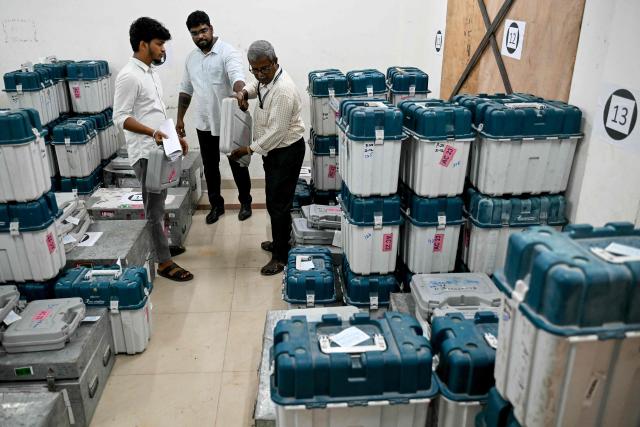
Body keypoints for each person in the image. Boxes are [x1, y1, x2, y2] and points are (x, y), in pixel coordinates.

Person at [113, 17, 193, 282]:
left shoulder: (151, 74)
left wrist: (174, 139)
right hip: (145, 154)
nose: (163, 50)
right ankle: (163, 262)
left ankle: (162, 248)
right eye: (159, 44)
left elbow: (156, 115)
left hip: (160, 150)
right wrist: (152, 133)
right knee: (154, 210)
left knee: (160, 205)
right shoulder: (129, 76)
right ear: (143, 44)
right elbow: (120, 117)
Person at [230, 40, 305, 276]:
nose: (260, 74)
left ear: (275, 62)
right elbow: (255, 86)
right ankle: (279, 241)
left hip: (285, 151)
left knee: (278, 204)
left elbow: (277, 132)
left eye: (265, 68)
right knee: (275, 201)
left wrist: (249, 149)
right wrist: (243, 92)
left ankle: (281, 257)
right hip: (274, 151)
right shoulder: (266, 80)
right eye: (255, 69)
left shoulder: (283, 89)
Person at [177, 10, 252, 224]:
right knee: (210, 168)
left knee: (238, 164)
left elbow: (237, 77)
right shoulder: (191, 59)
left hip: (229, 121)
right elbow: (185, 90)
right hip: (204, 123)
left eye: (203, 31)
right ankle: (216, 206)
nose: (200, 36)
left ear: (211, 28)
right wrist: (180, 119)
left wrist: (241, 92)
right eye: (195, 33)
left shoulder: (228, 52)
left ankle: (245, 202)